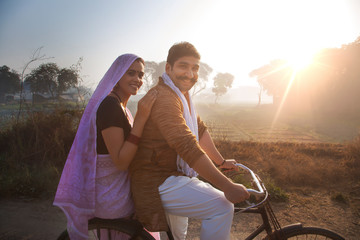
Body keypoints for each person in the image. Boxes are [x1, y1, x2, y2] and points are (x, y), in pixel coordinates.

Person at [129, 42, 250, 240]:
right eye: (183, 66)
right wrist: (226, 186)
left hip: (171, 176)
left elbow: (199, 130)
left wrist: (220, 162)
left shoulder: (181, 96)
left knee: (176, 237)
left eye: (195, 68)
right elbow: (186, 145)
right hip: (156, 180)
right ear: (168, 68)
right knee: (221, 206)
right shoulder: (165, 98)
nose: (190, 74)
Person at [53, 54, 160, 240]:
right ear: (118, 76)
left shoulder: (122, 107)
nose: (137, 79)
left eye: (141, 75)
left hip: (116, 191)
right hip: (111, 197)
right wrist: (141, 119)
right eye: (131, 73)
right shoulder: (110, 105)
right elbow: (120, 161)